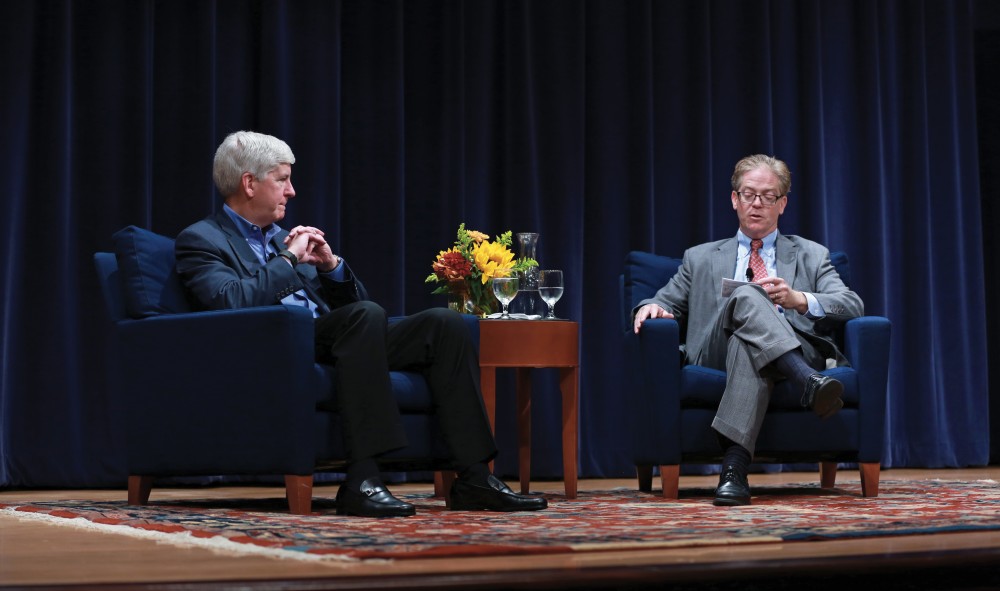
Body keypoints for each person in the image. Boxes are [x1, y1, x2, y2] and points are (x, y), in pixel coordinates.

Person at [175, 131, 547, 517]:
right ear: (249, 183)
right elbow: (231, 302)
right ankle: (363, 479)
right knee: (363, 319)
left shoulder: (286, 238)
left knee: (445, 324)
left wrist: (332, 267)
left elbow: (365, 311)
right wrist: (286, 260)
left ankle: (473, 477)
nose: (292, 191)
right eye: (282, 179)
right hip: (274, 346)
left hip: (333, 337)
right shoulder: (202, 240)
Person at [631, 154, 863, 507]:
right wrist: (648, 306)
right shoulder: (700, 257)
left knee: (747, 342)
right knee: (747, 293)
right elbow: (665, 300)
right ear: (734, 199)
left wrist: (798, 298)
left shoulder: (812, 255)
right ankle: (807, 381)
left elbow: (851, 305)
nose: (757, 204)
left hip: (793, 344)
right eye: (749, 194)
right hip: (714, 354)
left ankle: (734, 471)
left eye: (768, 196)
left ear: (782, 204)